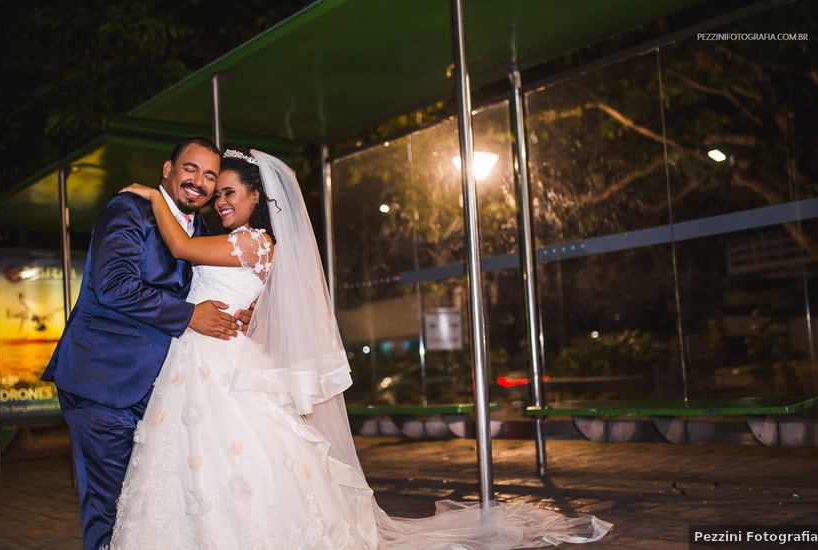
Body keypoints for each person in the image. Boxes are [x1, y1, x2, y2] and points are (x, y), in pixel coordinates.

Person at [111, 149, 612, 549]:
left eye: (229, 193)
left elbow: (179, 247)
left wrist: (152, 196)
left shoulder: (255, 242)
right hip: (201, 354)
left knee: (229, 459)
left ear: (256, 196)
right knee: (193, 463)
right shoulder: (240, 241)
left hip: (217, 364)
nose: (220, 202)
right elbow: (254, 300)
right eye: (216, 194)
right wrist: (243, 313)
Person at [42, 137, 251, 550]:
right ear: (167, 170)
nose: (200, 182)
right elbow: (114, 286)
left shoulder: (202, 231)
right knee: (113, 508)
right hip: (103, 382)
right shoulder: (128, 210)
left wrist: (237, 309)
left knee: (151, 509)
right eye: (190, 168)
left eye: (210, 176)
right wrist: (190, 315)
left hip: (161, 393)